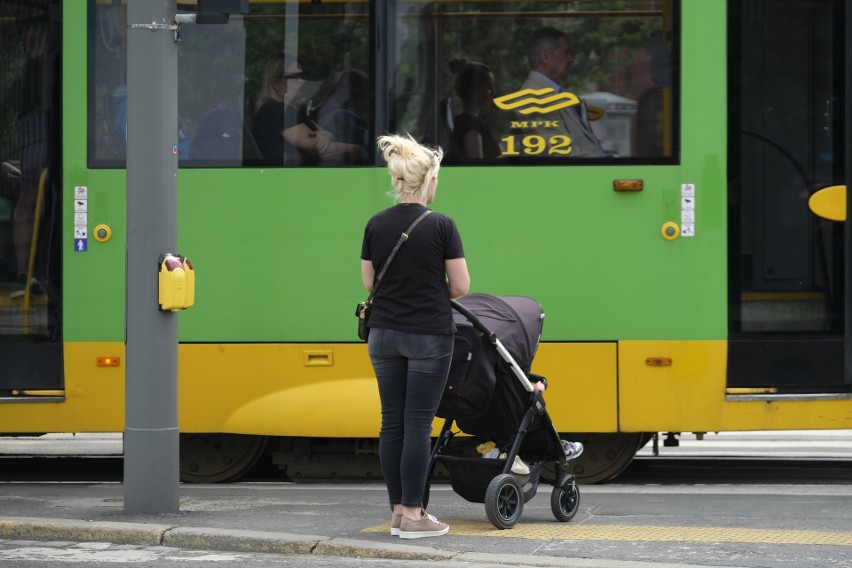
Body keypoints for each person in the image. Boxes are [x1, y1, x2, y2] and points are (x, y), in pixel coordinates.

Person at [360, 134, 470, 539]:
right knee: (417, 423)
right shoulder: (441, 225)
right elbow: (460, 285)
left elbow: (370, 282)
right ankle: (414, 514)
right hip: (428, 335)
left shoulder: (376, 223)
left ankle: (396, 512)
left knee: (392, 423)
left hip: (383, 334)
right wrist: (427, 289)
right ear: (428, 181)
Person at [252, 53, 356, 166]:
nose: (301, 81)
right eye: (294, 77)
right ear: (275, 83)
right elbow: (316, 145)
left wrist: (327, 135)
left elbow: (323, 138)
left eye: (302, 76)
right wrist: (357, 149)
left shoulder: (293, 110)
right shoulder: (275, 109)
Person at [519, 27, 606, 158]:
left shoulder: (552, 93)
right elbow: (560, 152)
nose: (571, 59)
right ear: (545, 56)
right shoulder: (533, 98)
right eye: (566, 53)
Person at [311, 69, 370, 165]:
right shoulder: (347, 119)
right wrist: (358, 149)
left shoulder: (319, 111)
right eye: (368, 94)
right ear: (359, 95)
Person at [448, 59, 501, 161]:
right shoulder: (469, 124)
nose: (493, 92)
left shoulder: (474, 123)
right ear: (473, 92)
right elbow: (478, 167)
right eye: (489, 88)